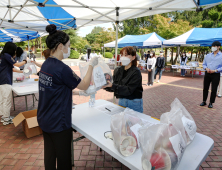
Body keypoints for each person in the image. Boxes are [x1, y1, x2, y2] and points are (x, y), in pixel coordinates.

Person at [37, 24, 98, 170]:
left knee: (50, 155)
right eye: (68, 45)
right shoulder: (62, 68)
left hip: (45, 117)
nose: (69, 48)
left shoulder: (46, 64)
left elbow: (56, 88)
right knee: (64, 161)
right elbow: (83, 85)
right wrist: (91, 65)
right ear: (60, 46)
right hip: (58, 122)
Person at [103, 46, 143, 113]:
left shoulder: (136, 72)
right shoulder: (118, 70)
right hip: (121, 100)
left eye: (126, 55)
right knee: (121, 121)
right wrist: (105, 85)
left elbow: (129, 90)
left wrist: (112, 86)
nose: (123, 57)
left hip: (133, 102)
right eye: (122, 55)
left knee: (134, 122)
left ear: (133, 57)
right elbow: (114, 85)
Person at [0, 42, 28, 125]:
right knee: (6, 100)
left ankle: (4, 116)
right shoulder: (7, 56)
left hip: (2, 79)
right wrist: (26, 61)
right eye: (15, 50)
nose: (15, 51)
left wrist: (23, 72)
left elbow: (12, 68)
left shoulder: (2, 56)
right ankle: (6, 119)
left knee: (2, 99)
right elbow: (17, 64)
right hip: (5, 80)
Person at [200, 41, 222, 108]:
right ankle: (204, 101)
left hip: (216, 74)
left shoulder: (221, 56)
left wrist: (215, 70)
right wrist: (206, 68)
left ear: (218, 47)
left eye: (214, 46)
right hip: (207, 73)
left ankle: (211, 102)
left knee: (214, 89)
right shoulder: (208, 55)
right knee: (205, 88)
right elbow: (204, 64)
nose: (213, 47)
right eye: (212, 46)